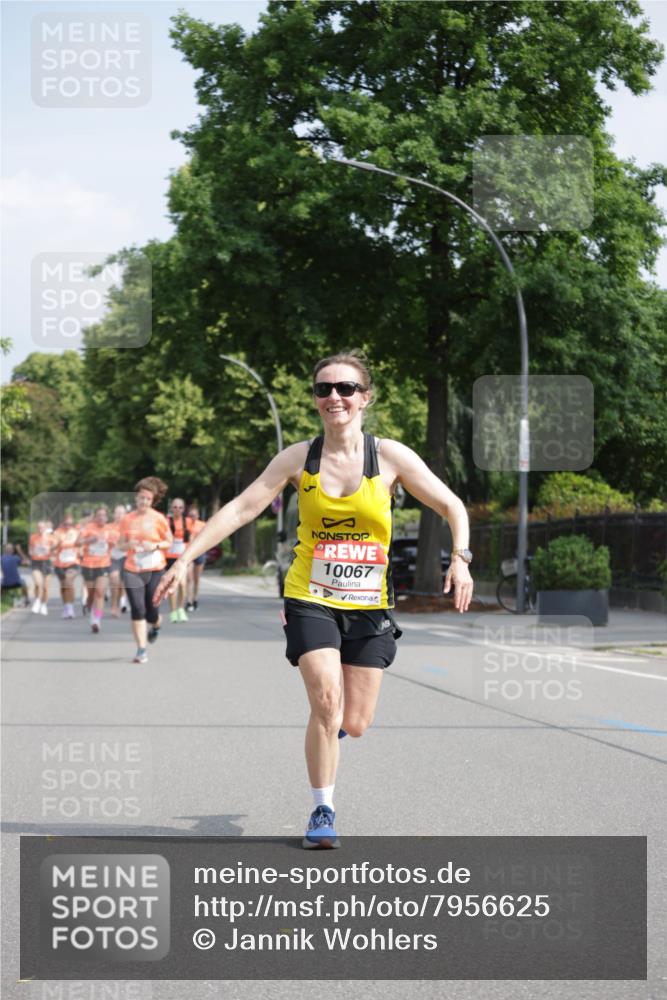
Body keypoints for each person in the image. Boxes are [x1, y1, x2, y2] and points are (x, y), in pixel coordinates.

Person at [154, 351, 473, 849]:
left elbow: (452, 504)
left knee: (355, 722)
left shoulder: (389, 457)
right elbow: (242, 507)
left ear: (365, 397)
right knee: (325, 697)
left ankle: (329, 736)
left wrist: (462, 556)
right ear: (315, 398)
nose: (334, 398)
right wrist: (183, 559)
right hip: (310, 594)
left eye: (345, 389)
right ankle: (323, 809)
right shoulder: (298, 459)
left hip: (368, 603)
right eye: (323, 389)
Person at [119, 477, 172, 663]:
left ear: (152, 500)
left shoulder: (159, 518)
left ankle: (156, 626)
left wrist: (155, 545)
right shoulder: (127, 519)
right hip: (132, 569)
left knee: (152, 613)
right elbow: (120, 545)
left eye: (148, 499)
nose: (144, 502)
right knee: (137, 609)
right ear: (136, 498)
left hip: (155, 569)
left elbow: (169, 542)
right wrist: (128, 544)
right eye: (141, 498)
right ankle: (141, 650)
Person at [77, 506, 115, 633]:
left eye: (103, 515)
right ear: (95, 517)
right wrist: (88, 540)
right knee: (91, 594)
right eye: (99, 515)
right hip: (88, 565)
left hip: (104, 564)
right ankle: (88, 604)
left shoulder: (110, 529)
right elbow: (77, 542)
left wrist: (114, 543)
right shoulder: (88, 528)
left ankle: (96, 620)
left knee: (100, 592)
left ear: (107, 517)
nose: (101, 518)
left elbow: (118, 543)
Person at [165, 498, 192, 623]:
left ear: (184, 509)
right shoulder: (166, 521)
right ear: (171, 508)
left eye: (180, 507)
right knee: (172, 585)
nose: (177, 510)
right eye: (175, 507)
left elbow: (191, 541)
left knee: (182, 584)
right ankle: (173, 611)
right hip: (170, 557)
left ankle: (181, 608)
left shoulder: (188, 522)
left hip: (182, 558)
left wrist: (190, 557)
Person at [52, 512, 81, 619]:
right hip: (59, 563)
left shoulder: (76, 532)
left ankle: (70, 608)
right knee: (63, 586)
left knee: (68, 582)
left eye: (69, 523)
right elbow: (52, 549)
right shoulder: (57, 533)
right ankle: (66, 606)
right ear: (62, 522)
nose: (68, 526)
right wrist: (58, 544)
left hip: (73, 562)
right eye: (66, 524)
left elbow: (80, 544)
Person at [185, 504, 207, 612]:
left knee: (197, 578)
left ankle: (195, 599)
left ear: (198, 516)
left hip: (199, 553)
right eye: (190, 515)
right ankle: (188, 601)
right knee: (189, 578)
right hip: (189, 553)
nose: (192, 517)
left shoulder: (202, 525)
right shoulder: (186, 524)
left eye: (194, 515)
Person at [28, 520, 53, 614]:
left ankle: (44, 604)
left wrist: (49, 550)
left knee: (46, 587)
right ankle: (38, 601)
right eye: (38, 527)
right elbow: (30, 550)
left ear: (46, 528)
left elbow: (55, 551)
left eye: (42, 527)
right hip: (36, 562)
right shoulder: (33, 537)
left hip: (47, 563)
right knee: (38, 584)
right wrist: (33, 552)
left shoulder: (51, 538)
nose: (40, 529)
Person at [108, 504, 129, 617]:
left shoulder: (129, 527)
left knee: (122, 584)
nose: (119, 515)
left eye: (122, 513)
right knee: (114, 581)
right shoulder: (109, 527)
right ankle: (114, 606)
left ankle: (120, 602)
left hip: (125, 557)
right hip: (113, 557)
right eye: (117, 513)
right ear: (114, 514)